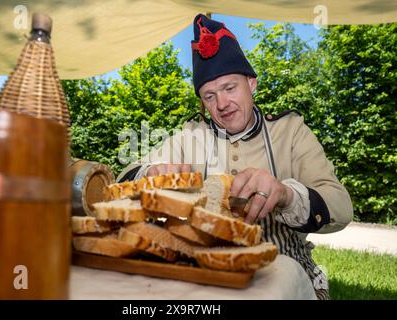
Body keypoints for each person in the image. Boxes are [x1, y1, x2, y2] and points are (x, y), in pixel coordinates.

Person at [117, 14, 353, 300]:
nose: (222, 104)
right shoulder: (192, 134)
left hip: (287, 270)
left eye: (230, 88)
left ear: (251, 83)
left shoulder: (290, 130)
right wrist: (149, 174)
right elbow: (126, 176)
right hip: (208, 271)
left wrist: (286, 195)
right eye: (209, 96)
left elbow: (341, 207)